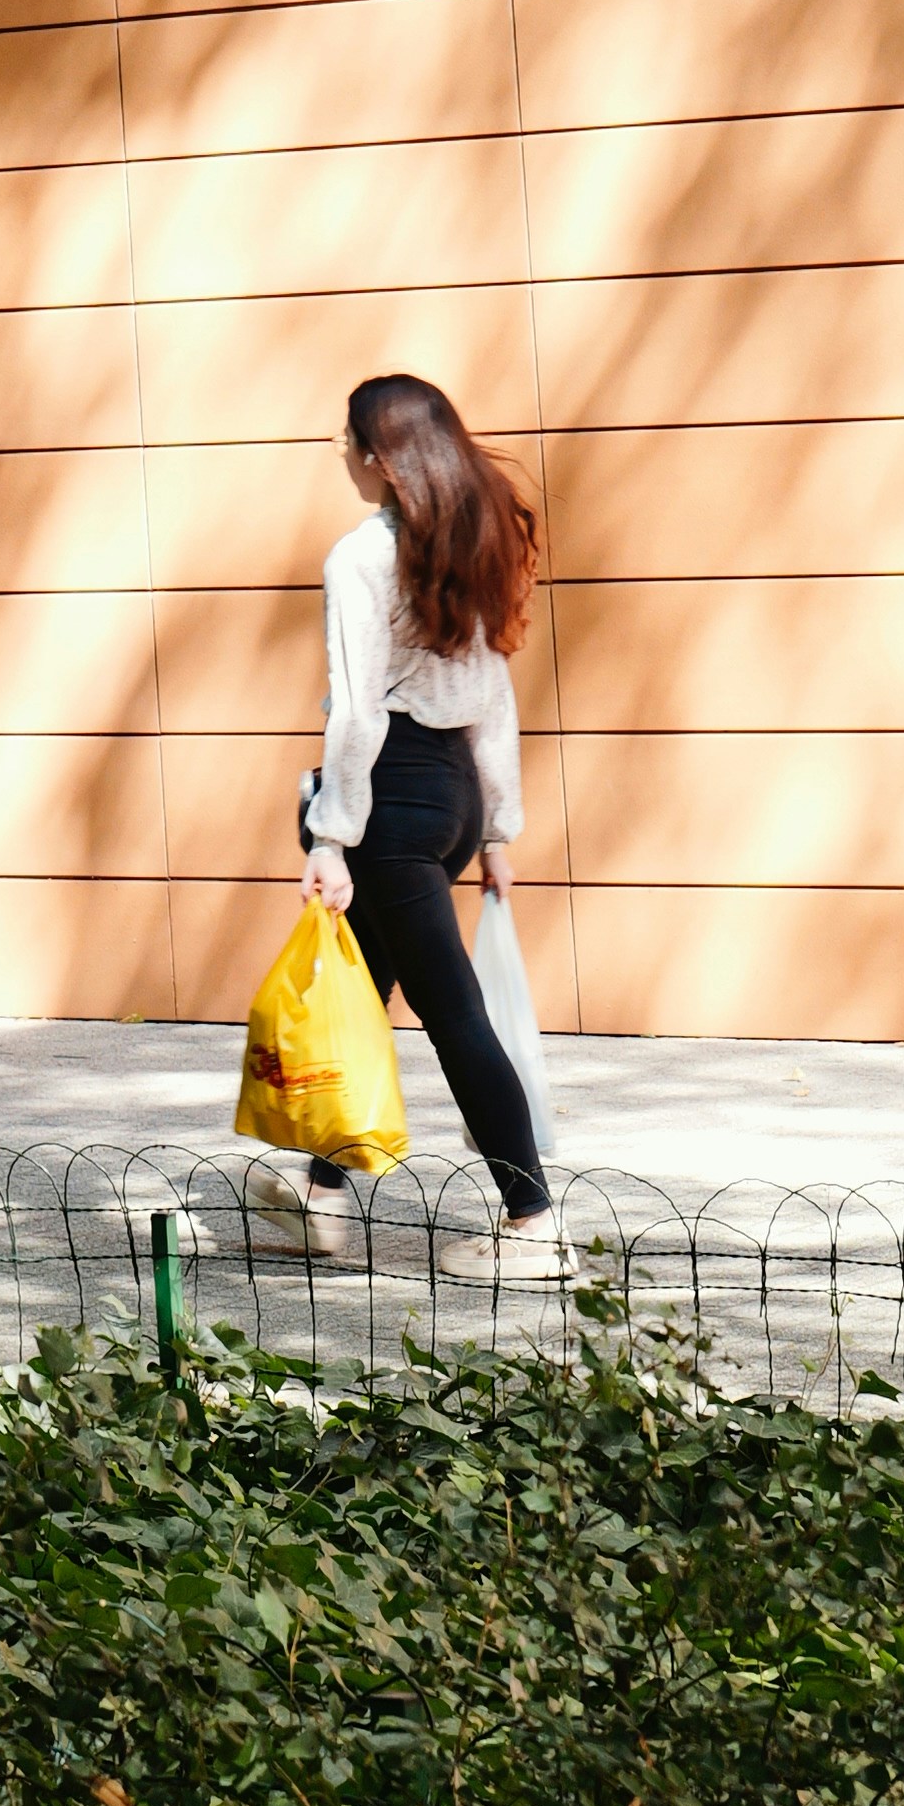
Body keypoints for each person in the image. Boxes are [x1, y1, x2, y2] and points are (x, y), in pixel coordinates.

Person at [255, 371, 563, 1270]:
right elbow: (491, 694)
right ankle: (317, 1194)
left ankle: (534, 1226)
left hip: (392, 799)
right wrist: (496, 826)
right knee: (368, 984)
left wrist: (331, 837)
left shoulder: (360, 557)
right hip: (455, 791)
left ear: (381, 459)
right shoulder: (471, 543)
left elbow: (357, 713)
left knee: (453, 1011)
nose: (341, 455)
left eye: (346, 441)